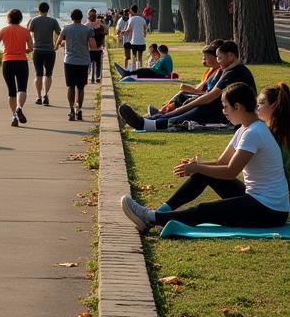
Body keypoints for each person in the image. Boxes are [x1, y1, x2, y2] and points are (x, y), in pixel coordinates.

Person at [121, 83, 290, 233]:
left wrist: (198, 167)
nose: (223, 112)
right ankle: (162, 210)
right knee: (203, 174)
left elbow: (231, 171)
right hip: (256, 200)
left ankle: (151, 218)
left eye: (225, 107)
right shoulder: (244, 130)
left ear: (237, 107)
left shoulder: (255, 132)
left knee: (205, 210)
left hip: (270, 211)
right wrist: (197, 165)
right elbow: (221, 163)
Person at [118, 40, 256, 131]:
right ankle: (151, 120)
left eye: (220, 58)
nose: (218, 62)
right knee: (192, 108)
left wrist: (186, 106)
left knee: (194, 112)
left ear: (231, 56)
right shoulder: (231, 70)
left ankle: (149, 123)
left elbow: (211, 96)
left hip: (231, 114)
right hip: (227, 109)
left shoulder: (234, 71)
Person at [146, 42, 223, 116]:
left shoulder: (219, 72)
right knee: (182, 93)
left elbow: (208, 93)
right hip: (203, 95)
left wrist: (189, 89)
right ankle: (163, 110)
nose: (203, 59)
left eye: (206, 57)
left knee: (182, 95)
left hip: (207, 100)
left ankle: (163, 112)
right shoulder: (212, 71)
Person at [0, 8, 34, 127]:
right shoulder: (25, 31)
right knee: (22, 89)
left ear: (8, 18)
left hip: (7, 62)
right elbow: (31, 48)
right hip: (21, 62)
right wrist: (22, 50)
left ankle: (14, 116)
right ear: (20, 18)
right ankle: (19, 108)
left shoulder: (3, 30)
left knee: (11, 91)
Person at [56, 8, 98, 121]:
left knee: (70, 86)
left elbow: (59, 42)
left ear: (71, 18)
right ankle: (79, 109)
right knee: (80, 87)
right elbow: (93, 46)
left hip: (69, 61)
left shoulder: (66, 28)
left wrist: (60, 45)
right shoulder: (88, 30)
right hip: (83, 61)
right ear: (81, 18)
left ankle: (71, 110)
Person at [28, 1, 61, 106]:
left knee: (38, 74)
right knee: (48, 74)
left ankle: (38, 96)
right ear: (48, 10)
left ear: (39, 10)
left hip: (37, 50)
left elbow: (28, 32)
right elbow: (59, 33)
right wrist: (56, 45)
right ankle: (45, 95)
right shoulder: (53, 21)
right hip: (50, 50)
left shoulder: (34, 20)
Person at [258, 83, 290, 182]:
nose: (257, 106)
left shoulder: (269, 134)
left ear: (274, 106)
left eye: (261, 102)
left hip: (280, 192)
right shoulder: (270, 131)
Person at [125, 5, 148, 70]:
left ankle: (134, 69)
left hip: (134, 41)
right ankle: (140, 69)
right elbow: (145, 29)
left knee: (134, 56)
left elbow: (128, 30)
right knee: (140, 57)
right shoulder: (142, 19)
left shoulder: (131, 19)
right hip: (141, 41)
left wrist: (123, 32)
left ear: (131, 11)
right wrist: (144, 34)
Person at [86, 9, 106, 84]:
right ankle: (97, 77)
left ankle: (91, 77)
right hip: (98, 49)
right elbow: (104, 35)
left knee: (89, 65)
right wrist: (103, 45)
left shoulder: (86, 25)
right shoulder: (100, 25)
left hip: (90, 49)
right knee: (98, 65)